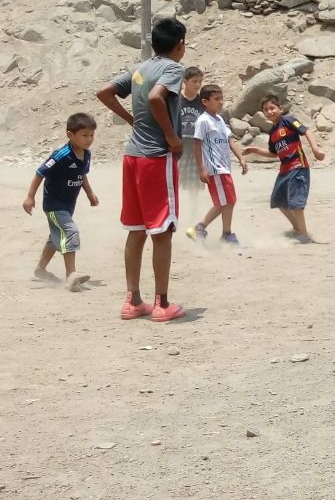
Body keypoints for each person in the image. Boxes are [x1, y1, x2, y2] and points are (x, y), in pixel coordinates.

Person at [95, 17, 188, 322]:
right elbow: (155, 97)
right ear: (180, 46)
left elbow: (105, 92)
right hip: (156, 159)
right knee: (162, 230)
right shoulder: (173, 69)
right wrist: (172, 136)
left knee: (137, 230)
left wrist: (130, 119)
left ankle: (133, 300)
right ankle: (162, 304)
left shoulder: (140, 68)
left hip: (132, 157)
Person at [23, 112, 98, 292]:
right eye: (84, 135)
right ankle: (71, 275)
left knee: (56, 239)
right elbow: (40, 173)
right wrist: (30, 197)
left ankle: (40, 270)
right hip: (54, 205)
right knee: (70, 232)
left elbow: (82, 175)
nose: (89, 139)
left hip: (67, 205)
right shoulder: (61, 155)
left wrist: (89, 193)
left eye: (92, 135)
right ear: (70, 135)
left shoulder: (86, 154)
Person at [242, 95, 325, 242]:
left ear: (280, 108)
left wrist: (315, 149)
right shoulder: (273, 132)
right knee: (278, 201)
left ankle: (304, 235)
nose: (270, 111)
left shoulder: (288, 120)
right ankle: (297, 229)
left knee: (296, 204)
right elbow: (273, 153)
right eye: (266, 110)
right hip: (284, 170)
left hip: (298, 167)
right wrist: (255, 150)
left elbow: (307, 131)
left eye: (272, 108)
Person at [185, 84, 249, 245]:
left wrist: (240, 158)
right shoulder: (203, 120)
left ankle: (226, 233)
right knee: (223, 202)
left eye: (222, 99)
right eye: (216, 99)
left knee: (230, 200)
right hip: (214, 170)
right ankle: (199, 228)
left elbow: (230, 140)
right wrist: (201, 169)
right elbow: (197, 144)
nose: (221, 102)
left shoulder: (219, 119)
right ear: (205, 102)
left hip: (225, 168)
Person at [177, 66, 206, 227]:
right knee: (174, 180)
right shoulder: (176, 100)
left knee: (194, 185)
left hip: (195, 147)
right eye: (194, 81)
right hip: (179, 148)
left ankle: (193, 213)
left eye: (200, 81)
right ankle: (174, 212)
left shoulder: (201, 101)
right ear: (185, 81)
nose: (197, 85)